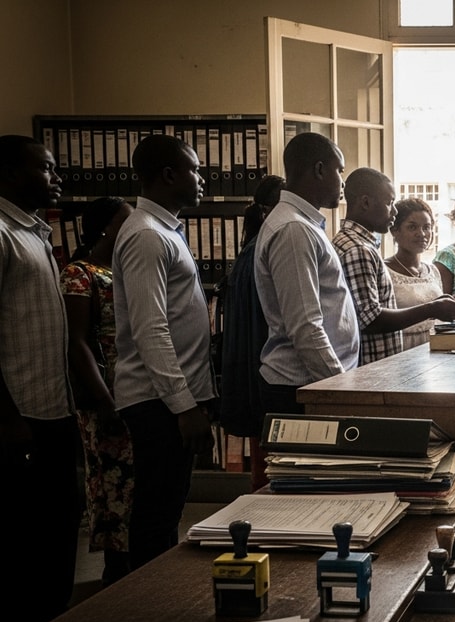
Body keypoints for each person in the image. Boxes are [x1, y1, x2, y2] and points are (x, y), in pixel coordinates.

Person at [112, 133, 214, 570]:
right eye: (195, 170)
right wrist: (184, 406)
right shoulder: (146, 236)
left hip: (171, 400)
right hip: (159, 402)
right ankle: (142, 601)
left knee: (167, 509)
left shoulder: (164, 230)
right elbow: (150, 329)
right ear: (169, 175)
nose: (202, 179)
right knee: (156, 515)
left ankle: (153, 596)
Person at [0, 134, 80, 622]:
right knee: (24, 544)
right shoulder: (2, 233)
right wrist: (7, 419)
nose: (56, 178)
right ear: (9, 173)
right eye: (46, 169)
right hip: (21, 416)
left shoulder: (33, 232)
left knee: (59, 531)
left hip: (55, 410)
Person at [255, 132, 358, 416]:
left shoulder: (303, 223)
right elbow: (305, 327)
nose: (342, 182)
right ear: (320, 169)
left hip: (314, 383)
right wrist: (341, 390)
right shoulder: (294, 229)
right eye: (339, 171)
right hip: (302, 387)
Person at [60, 196, 135, 585]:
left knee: (135, 485)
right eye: (125, 220)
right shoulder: (79, 273)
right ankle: (115, 574)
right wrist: (105, 402)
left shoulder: (121, 268)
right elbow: (76, 343)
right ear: (106, 228)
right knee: (112, 484)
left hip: (133, 391)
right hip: (104, 397)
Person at [334, 169, 455, 363]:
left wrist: (442, 305)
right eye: (389, 203)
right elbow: (370, 319)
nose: (394, 211)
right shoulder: (359, 249)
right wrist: (432, 308)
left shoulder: (353, 243)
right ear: (365, 203)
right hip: (377, 366)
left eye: (427, 227)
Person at [219, 174, 283, 491]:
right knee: (272, 470)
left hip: (253, 373)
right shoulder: (264, 250)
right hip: (264, 374)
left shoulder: (253, 248)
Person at [386, 196, 455, 349]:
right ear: (395, 231)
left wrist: (452, 301)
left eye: (426, 227)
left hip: (434, 347)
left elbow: (433, 310)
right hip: (401, 348)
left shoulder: (432, 271)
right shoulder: (385, 270)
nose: (421, 233)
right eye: (412, 227)